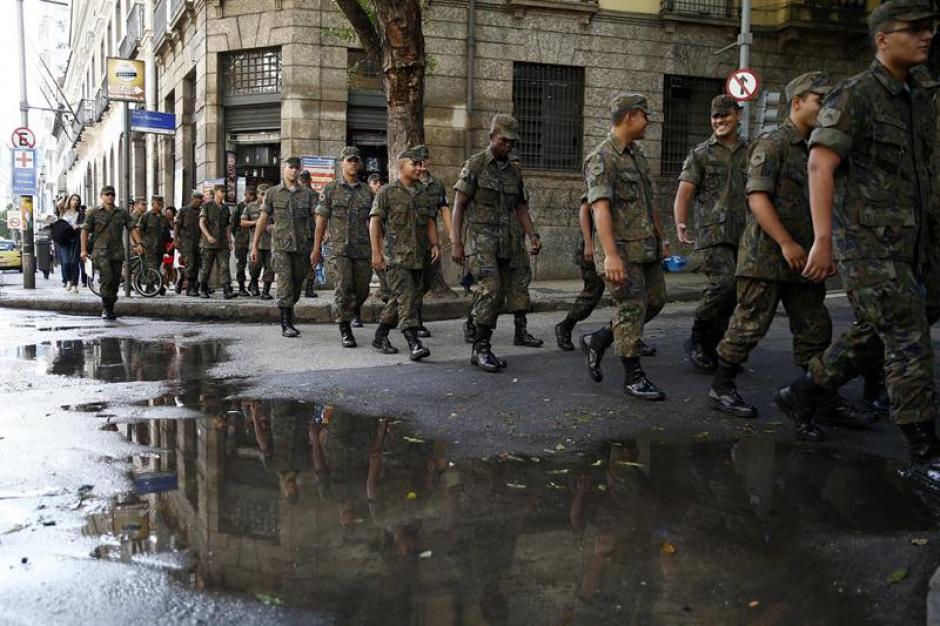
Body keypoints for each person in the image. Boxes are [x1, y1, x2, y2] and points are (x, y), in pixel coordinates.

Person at [776, 1, 940, 476]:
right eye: (914, 29)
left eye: (930, 28)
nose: (926, 36)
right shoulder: (855, 96)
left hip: (916, 244)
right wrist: (823, 241)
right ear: (883, 38)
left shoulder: (920, 97)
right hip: (869, 246)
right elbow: (819, 164)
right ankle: (924, 450)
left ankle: (803, 392)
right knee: (909, 340)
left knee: (877, 330)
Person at [705, 72, 870, 436]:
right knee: (748, 326)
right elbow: (757, 198)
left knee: (815, 328)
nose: (826, 107)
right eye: (819, 100)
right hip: (766, 257)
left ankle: (818, 395)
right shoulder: (773, 144)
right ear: (797, 102)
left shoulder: (820, 147)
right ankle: (721, 386)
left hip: (806, 259)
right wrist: (786, 242)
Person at [582, 93, 666, 400]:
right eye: (645, 116)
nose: (648, 122)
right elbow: (600, 209)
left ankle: (600, 338)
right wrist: (611, 255)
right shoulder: (602, 158)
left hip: (646, 247)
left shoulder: (637, 155)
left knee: (655, 301)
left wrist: (661, 237)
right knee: (630, 308)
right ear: (630, 116)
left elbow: (650, 201)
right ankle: (634, 376)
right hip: (621, 251)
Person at [451, 114, 541, 372]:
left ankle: (482, 341)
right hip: (481, 242)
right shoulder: (476, 165)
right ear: (492, 138)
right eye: (504, 140)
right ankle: (480, 348)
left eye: (512, 142)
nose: (508, 146)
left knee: (500, 295)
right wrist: (456, 242)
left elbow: (521, 207)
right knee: (490, 290)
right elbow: (459, 205)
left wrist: (532, 234)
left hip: (508, 242)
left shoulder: (514, 171)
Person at [674, 95, 749, 372]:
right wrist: (681, 223)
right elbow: (685, 192)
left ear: (737, 115)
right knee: (724, 285)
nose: (719, 121)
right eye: (715, 117)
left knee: (736, 293)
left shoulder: (751, 151)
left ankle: (714, 345)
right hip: (712, 234)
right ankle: (697, 336)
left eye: (725, 116)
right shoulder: (701, 153)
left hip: (744, 234)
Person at [369, 148, 440, 360]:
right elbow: (374, 222)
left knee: (402, 298)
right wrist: (376, 253)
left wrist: (435, 243)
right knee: (407, 297)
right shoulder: (387, 192)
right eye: (415, 164)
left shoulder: (423, 192)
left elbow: (429, 220)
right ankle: (414, 342)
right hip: (396, 257)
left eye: (421, 164)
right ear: (402, 167)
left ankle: (380, 335)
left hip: (419, 256)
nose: (420, 168)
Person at [312, 147, 373, 348]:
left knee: (362, 288)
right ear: (342, 163)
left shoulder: (367, 191)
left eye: (356, 160)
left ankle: (351, 310)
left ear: (360, 163)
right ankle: (345, 328)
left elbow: (374, 222)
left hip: (363, 248)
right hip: (339, 249)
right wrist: (316, 248)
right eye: (349, 160)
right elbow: (321, 220)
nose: (353, 163)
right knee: (343, 287)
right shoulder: (330, 190)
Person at [251, 157, 318, 337]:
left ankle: (289, 312)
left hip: (302, 247)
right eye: (291, 167)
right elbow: (263, 219)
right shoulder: (272, 193)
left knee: (296, 286)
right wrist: (255, 246)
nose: (294, 171)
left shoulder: (308, 194)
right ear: (284, 168)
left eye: (297, 168)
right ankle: (285, 323)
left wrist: (319, 242)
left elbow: (316, 218)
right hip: (280, 247)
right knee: (285, 283)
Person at [80, 185, 141, 320]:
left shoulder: (122, 213)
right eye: (107, 194)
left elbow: (132, 227)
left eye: (112, 194)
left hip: (117, 252)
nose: (110, 197)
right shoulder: (93, 213)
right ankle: (106, 308)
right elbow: (84, 231)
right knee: (107, 278)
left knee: (115, 280)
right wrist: (83, 250)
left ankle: (110, 307)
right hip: (100, 252)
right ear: (101, 196)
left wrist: (138, 243)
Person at [412, 145, 450, 338]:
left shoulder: (436, 185)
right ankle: (415, 320)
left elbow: (444, 209)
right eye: (418, 160)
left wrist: (453, 235)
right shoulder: (405, 183)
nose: (422, 163)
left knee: (427, 280)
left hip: (429, 238)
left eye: (425, 159)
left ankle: (406, 314)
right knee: (415, 282)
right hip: (408, 240)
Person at [198, 184, 235, 299]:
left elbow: (227, 227)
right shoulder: (207, 205)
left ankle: (227, 289)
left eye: (225, 191)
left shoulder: (225, 208)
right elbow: (201, 223)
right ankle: (203, 288)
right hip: (208, 244)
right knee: (206, 268)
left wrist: (230, 241)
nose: (224, 193)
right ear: (216, 192)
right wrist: (208, 236)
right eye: (222, 191)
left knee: (224, 267)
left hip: (222, 243)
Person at [244, 184, 274, 300]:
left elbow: (280, 222)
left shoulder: (273, 208)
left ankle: (266, 291)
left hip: (270, 243)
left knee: (270, 268)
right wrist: (256, 223)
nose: (264, 196)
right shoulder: (250, 207)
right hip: (255, 243)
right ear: (257, 194)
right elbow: (242, 222)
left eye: (266, 194)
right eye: (262, 194)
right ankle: (254, 283)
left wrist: (273, 226)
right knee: (254, 267)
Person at [136, 195, 170, 295]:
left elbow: (167, 233)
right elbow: (138, 230)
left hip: (160, 247)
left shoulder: (164, 218)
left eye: (161, 204)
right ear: (153, 204)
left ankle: (154, 286)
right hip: (149, 247)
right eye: (158, 203)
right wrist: (141, 243)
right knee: (153, 267)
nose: (160, 205)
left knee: (156, 267)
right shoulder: (146, 216)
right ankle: (155, 286)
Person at [367, 173, 392, 305]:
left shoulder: (383, 198)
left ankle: (386, 294)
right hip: (368, 241)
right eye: (375, 182)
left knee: (384, 271)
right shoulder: (367, 199)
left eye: (380, 182)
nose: (378, 185)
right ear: (369, 184)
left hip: (383, 241)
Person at [174, 191, 203, 296]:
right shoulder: (183, 211)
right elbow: (177, 225)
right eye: (197, 200)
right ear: (192, 199)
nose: (199, 202)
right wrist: (176, 240)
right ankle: (190, 288)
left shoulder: (201, 212)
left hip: (198, 242)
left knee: (196, 265)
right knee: (190, 264)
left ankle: (182, 280)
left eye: (200, 200)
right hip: (186, 242)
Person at [298, 169, 321, 300]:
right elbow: (317, 215)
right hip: (310, 233)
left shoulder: (300, 193)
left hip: (303, 233)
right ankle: (308, 288)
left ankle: (304, 287)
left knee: (304, 260)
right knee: (311, 260)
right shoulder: (312, 194)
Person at [54, 193, 83, 293]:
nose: (75, 202)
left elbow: (84, 224)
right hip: (64, 240)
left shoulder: (80, 213)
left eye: (77, 200)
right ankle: (69, 280)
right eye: (73, 200)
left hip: (75, 239)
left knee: (74, 262)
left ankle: (75, 284)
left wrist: (78, 226)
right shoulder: (64, 211)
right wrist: (64, 197)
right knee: (66, 262)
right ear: (70, 201)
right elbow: (58, 205)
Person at [232, 187, 256, 296]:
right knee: (240, 264)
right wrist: (237, 236)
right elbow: (233, 224)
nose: (252, 196)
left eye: (253, 194)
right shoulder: (239, 207)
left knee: (254, 264)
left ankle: (253, 283)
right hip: (241, 239)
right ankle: (241, 287)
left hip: (253, 239)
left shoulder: (256, 207)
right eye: (250, 194)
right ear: (245, 194)